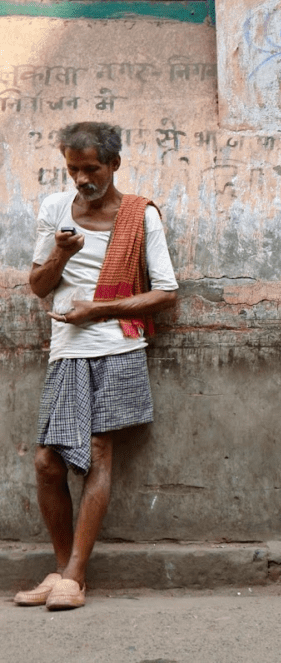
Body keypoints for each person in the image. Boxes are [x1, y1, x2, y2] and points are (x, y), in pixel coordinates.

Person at [14, 122, 178, 610]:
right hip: (67, 348)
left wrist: (99, 310)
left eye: (91, 169)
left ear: (114, 165)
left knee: (99, 453)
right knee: (48, 462)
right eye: (73, 169)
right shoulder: (54, 209)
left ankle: (75, 576)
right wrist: (61, 255)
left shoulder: (141, 216)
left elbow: (166, 294)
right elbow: (39, 287)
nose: (82, 179)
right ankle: (63, 569)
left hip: (118, 345)